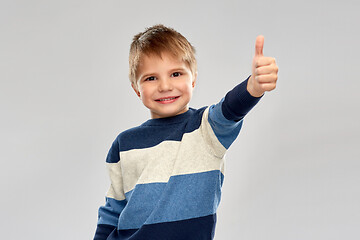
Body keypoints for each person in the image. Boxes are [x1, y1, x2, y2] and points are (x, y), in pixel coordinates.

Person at [94, 24, 278, 240]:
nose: (165, 86)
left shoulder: (206, 129)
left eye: (176, 74)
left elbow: (230, 108)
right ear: (136, 88)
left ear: (193, 79)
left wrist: (253, 87)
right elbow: (112, 211)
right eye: (151, 78)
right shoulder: (124, 143)